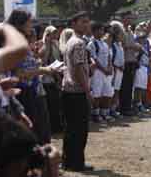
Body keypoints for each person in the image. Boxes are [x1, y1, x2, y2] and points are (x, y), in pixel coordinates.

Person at [7, 10, 54, 145]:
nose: (31, 25)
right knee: (30, 131)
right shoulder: (13, 44)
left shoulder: (22, 43)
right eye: (29, 22)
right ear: (19, 24)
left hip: (32, 90)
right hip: (22, 92)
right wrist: (43, 70)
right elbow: (19, 73)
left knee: (39, 129)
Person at [61, 12, 93, 172]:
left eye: (87, 22)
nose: (86, 24)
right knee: (79, 130)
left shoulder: (69, 41)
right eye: (83, 22)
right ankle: (76, 162)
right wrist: (87, 90)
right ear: (73, 24)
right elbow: (79, 69)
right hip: (77, 90)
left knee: (70, 129)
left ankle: (67, 161)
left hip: (68, 89)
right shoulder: (79, 43)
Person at [87, 22, 114, 123]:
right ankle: (96, 114)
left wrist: (110, 67)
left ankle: (105, 113)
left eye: (102, 30)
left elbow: (108, 56)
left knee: (107, 93)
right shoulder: (91, 44)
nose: (102, 32)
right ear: (94, 31)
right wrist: (103, 69)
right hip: (98, 72)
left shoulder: (104, 43)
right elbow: (94, 58)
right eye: (100, 30)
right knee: (97, 94)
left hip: (107, 72)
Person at [38, 26, 63, 134]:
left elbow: (59, 57)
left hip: (56, 74)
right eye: (52, 33)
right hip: (46, 77)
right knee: (50, 103)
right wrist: (47, 46)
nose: (54, 35)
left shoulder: (56, 44)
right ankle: (51, 127)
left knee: (56, 103)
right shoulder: (42, 44)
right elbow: (42, 60)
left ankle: (57, 125)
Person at [120, 12, 141, 116]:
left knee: (129, 86)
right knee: (124, 86)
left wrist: (136, 46)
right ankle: (123, 108)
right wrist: (133, 46)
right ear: (123, 19)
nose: (129, 20)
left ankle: (128, 107)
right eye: (127, 18)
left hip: (131, 60)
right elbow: (121, 45)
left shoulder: (130, 30)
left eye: (130, 18)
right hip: (123, 61)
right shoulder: (120, 30)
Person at [109, 21, 125, 118]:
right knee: (112, 91)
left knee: (117, 90)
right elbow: (112, 59)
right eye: (120, 33)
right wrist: (117, 67)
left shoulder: (119, 45)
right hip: (114, 71)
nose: (121, 35)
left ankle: (114, 109)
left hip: (120, 71)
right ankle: (110, 110)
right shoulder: (112, 45)